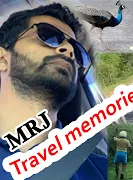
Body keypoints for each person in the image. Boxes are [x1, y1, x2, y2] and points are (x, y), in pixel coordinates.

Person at [0, 3, 107, 180]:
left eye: (78, 51)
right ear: (3, 59)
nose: (70, 50)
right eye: (48, 36)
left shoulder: (100, 167)